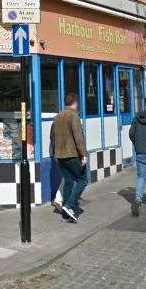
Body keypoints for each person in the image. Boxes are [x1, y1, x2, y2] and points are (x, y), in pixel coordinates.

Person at [50, 92, 87, 223]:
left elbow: (52, 137)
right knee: (83, 179)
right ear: (75, 103)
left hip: (59, 155)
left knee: (69, 181)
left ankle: (66, 212)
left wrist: (53, 153)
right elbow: (78, 137)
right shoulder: (73, 116)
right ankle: (69, 205)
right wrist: (83, 154)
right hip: (72, 155)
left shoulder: (57, 117)